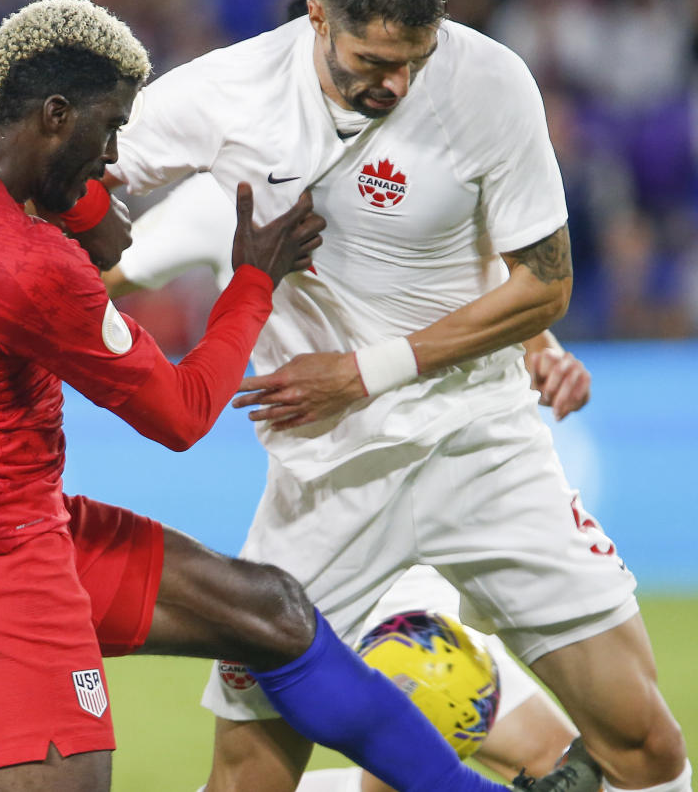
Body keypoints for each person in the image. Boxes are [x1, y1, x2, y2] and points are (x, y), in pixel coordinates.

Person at [0, 0, 591, 792]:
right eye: (108, 128)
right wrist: (255, 275)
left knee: (275, 615)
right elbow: (183, 411)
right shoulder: (24, 271)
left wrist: (87, 209)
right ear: (56, 115)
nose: (113, 158)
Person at [100, 0, 693, 791]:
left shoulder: (492, 85)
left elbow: (547, 282)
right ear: (315, 18)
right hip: (326, 478)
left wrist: (364, 371)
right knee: (247, 779)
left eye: (414, 58)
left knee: (646, 747)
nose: (397, 84)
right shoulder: (225, 95)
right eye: (372, 63)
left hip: (483, 446)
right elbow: (76, 182)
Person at [104, 172, 584, 789]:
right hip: (316, 538)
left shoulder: (403, 168)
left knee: (554, 757)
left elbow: (471, 281)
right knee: (251, 780)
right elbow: (102, 276)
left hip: (420, 536)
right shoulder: (221, 196)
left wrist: (541, 346)